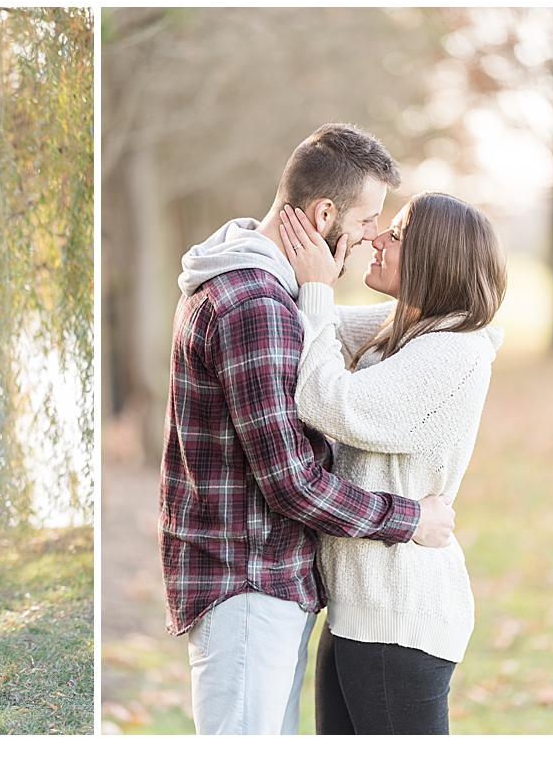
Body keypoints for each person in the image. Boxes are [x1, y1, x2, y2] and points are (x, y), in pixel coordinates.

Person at [159, 122, 457, 735]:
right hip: (247, 585)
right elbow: (291, 482)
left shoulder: (266, 289)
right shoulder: (255, 305)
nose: (372, 236)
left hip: (266, 581)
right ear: (325, 214)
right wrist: (411, 519)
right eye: (369, 219)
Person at [278, 192, 506, 734]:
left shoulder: (451, 351)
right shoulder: (404, 327)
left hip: (398, 619)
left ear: (432, 259)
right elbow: (312, 330)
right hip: (361, 609)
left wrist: (316, 285)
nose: (377, 239)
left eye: (396, 236)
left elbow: (330, 400)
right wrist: (305, 271)